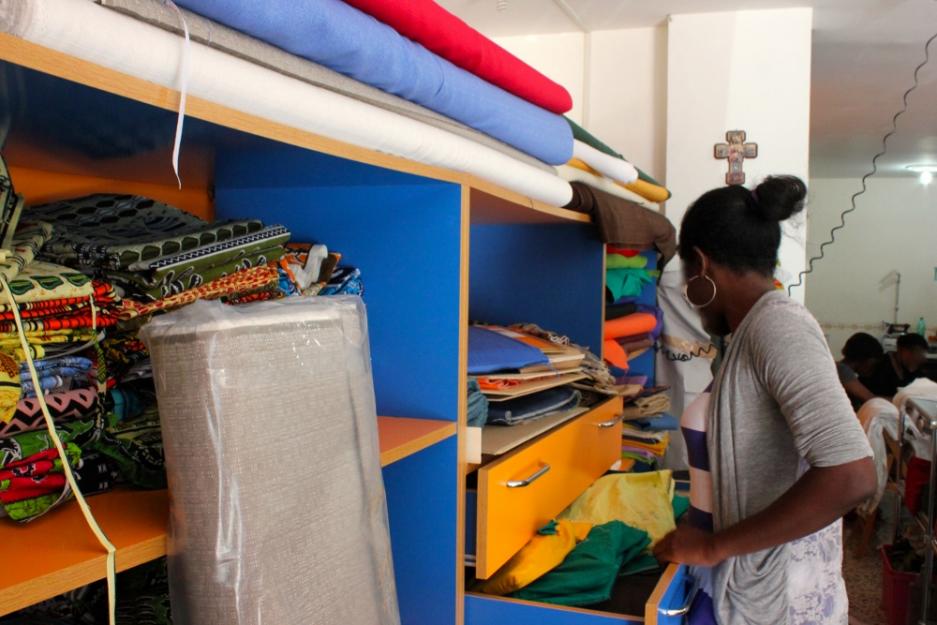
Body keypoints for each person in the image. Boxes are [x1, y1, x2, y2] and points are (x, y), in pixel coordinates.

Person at [654, 176, 876, 625]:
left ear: (701, 264)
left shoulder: (778, 327)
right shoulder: (747, 334)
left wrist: (713, 545)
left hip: (782, 598)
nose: (687, 293)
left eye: (686, 275)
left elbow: (853, 475)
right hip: (748, 578)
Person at [861, 332, 928, 398]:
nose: (919, 358)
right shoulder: (880, 366)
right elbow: (867, 396)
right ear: (901, 349)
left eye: (921, 354)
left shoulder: (915, 370)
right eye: (914, 352)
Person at [837, 332, 884, 408]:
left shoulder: (839, 367)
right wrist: (901, 399)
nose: (873, 367)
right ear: (865, 359)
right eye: (873, 363)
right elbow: (871, 399)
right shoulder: (843, 370)